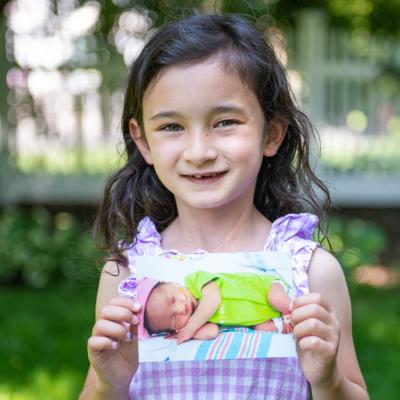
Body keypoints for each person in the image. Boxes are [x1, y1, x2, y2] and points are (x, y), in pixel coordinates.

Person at [80, 12, 369, 400]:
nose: (199, 152)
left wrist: (328, 379)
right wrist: (107, 384)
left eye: (225, 122)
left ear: (272, 134)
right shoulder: (127, 275)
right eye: (171, 127)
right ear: (143, 140)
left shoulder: (312, 273)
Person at [123, 272, 293, 344]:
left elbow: (213, 299)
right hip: (261, 316)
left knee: (277, 299)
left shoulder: (195, 281)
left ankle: (292, 309)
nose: (181, 309)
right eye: (175, 319)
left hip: (264, 288)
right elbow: (212, 332)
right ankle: (286, 322)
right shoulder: (199, 321)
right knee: (262, 329)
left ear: (173, 284)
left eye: (174, 299)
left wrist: (189, 327)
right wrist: (188, 334)